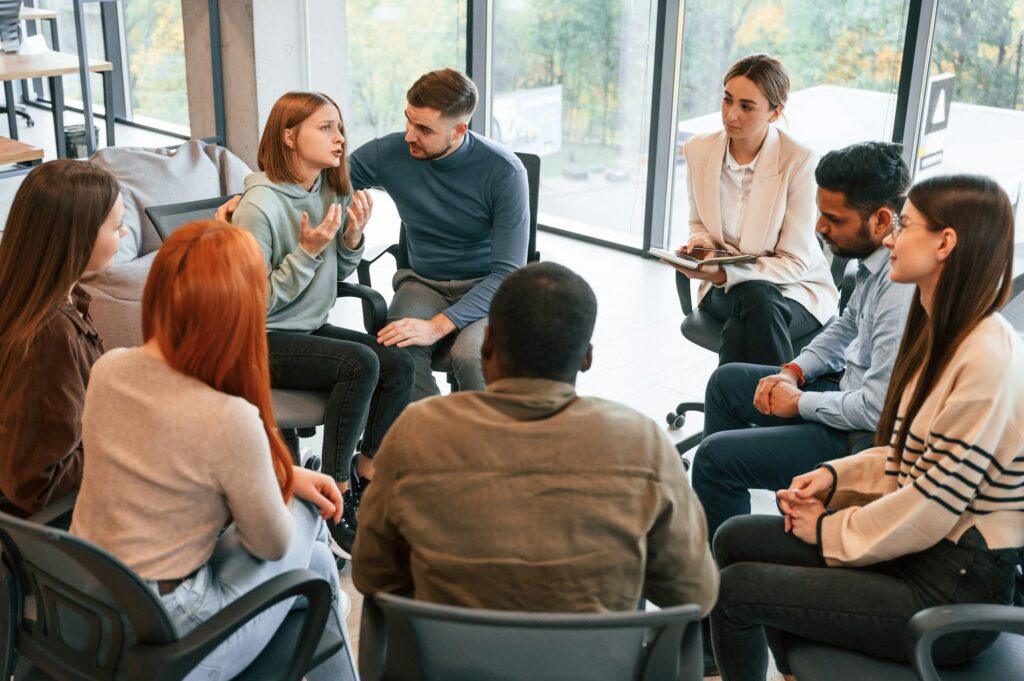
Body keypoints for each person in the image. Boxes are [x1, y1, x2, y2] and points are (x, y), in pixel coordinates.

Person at [710, 175, 1024, 681]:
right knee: (733, 538)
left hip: (950, 589)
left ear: (945, 243)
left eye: (906, 226)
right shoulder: (941, 331)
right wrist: (834, 479)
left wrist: (833, 529)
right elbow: (903, 453)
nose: (892, 238)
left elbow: (932, 504)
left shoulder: (986, 357)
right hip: (920, 552)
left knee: (737, 593)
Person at [71, 221, 357, 681]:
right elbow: (272, 543)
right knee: (307, 519)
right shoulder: (227, 417)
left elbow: (171, 458)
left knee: (318, 562)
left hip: (97, 604)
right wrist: (286, 480)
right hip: (174, 634)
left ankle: (324, 597)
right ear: (240, 312)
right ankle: (327, 602)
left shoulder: (109, 368)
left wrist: (284, 476)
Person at [352, 262, 719, 615]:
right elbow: (695, 594)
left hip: (445, 661)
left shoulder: (418, 429)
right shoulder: (643, 444)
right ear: (586, 358)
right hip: (594, 664)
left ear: (487, 345)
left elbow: (371, 572)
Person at [692, 142, 914, 542]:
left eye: (833, 218)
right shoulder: (875, 260)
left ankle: (723, 571)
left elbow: (875, 410)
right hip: (846, 393)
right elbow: (846, 326)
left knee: (712, 458)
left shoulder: (900, 287)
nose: (819, 227)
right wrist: (793, 370)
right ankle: (725, 534)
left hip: (859, 438)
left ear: (881, 219)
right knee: (726, 383)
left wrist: (799, 402)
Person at [231, 90, 415, 553]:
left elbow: (336, 276)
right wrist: (309, 251)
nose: (340, 137)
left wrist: (351, 240)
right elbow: (253, 303)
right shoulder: (258, 207)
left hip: (308, 330)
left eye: (340, 126)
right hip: (261, 337)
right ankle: (334, 496)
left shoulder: (332, 189)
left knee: (399, 362)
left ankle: (365, 473)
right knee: (360, 362)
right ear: (290, 136)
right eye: (326, 127)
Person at [348, 68, 530, 402]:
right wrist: (261, 192)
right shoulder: (387, 153)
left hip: (485, 288)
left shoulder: (504, 172)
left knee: (470, 356)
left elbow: (507, 272)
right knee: (399, 350)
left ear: (460, 129)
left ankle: (484, 451)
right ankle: (434, 440)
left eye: (424, 129)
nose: (409, 135)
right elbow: (323, 181)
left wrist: (438, 325)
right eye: (408, 120)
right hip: (423, 283)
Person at [670, 54, 837, 365]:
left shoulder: (799, 162)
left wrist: (726, 272)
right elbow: (698, 222)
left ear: (774, 113)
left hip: (795, 289)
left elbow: (795, 261)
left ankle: (741, 411)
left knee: (741, 327)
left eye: (747, 107)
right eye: (727, 100)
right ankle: (781, 405)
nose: (731, 115)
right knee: (757, 299)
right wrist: (702, 244)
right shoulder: (699, 150)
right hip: (724, 290)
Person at [0, 161, 127, 516]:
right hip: (77, 527)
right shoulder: (48, 335)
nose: (125, 234)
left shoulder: (49, 300)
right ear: (79, 235)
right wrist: (131, 446)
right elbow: (37, 483)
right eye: (116, 226)